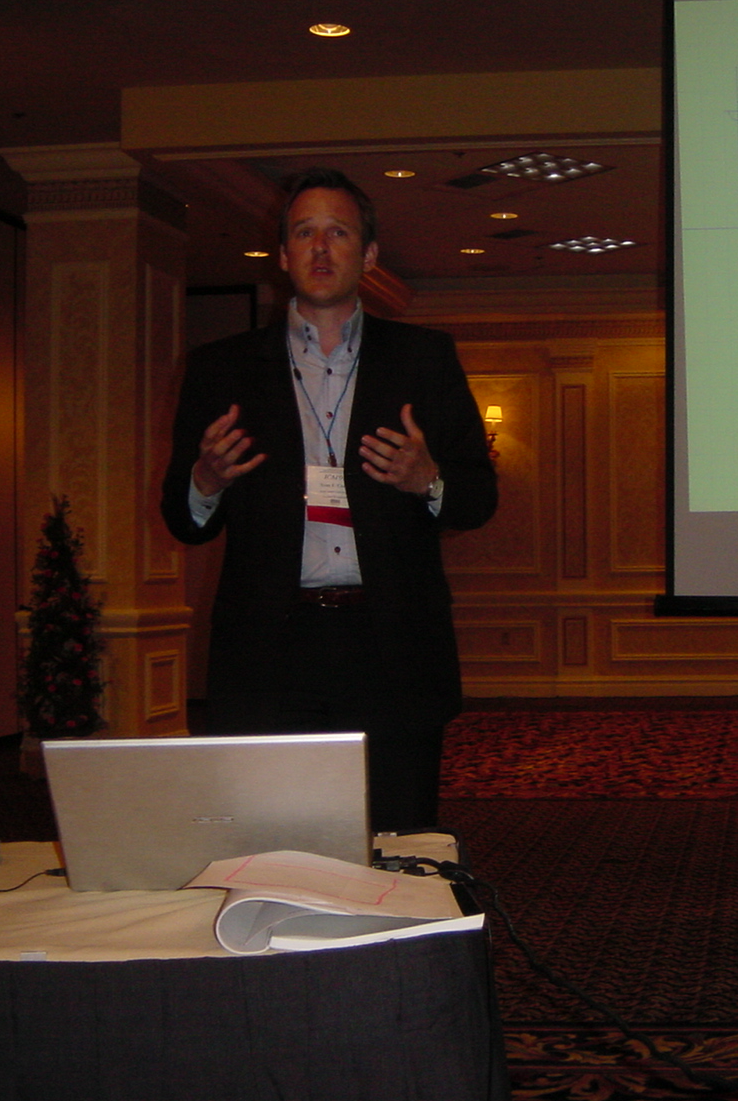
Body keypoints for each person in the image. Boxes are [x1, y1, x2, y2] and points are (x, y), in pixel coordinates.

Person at [161, 168, 497, 831]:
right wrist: (205, 481)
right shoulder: (222, 368)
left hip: (392, 646)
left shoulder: (424, 359)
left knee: (398, 842)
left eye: (338, 233)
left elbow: (478, 499)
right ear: (283, 255)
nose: (320, 248)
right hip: (269, 652)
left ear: (368, 256)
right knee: (273, 843)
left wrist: (428, 480)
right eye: (304, 233)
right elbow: (183, 518)